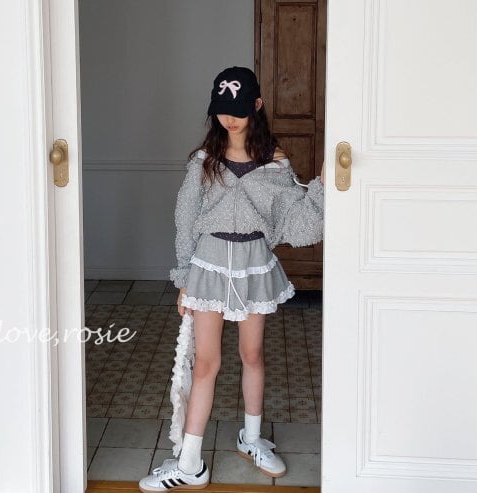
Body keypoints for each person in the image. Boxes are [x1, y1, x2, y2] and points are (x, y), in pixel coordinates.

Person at [139, 66, 324, 492]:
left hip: (253, 265)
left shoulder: (275, 162)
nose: (230, 118)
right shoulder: (203, 161)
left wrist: (323, 188)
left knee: (252, 354)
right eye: (223, 110)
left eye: (239, 110)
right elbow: (186, 219)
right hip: (207, 266)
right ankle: (189, 463)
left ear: (256, 105)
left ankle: (252, 439)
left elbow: (297, 223)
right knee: (206, 362)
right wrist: (184, 276)